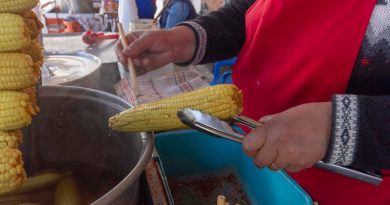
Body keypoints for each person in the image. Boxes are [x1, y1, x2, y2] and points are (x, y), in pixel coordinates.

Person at [116, 0, 390, 204]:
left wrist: (334, 127)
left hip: (350, 185)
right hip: (254, 154)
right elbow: (255, 10)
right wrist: (183, 40)